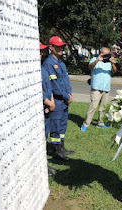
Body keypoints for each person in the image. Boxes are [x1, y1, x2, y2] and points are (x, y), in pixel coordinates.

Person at [42, 36, 74, 161]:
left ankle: (62, 147)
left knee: (62, 125)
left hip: (65, 100)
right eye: (58, 46)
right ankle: (57, 151)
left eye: (62, 46)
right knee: (55, 126)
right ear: (51, 48)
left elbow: (65, 81)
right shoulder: (48, 64)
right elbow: (54, 85)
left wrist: (69, 94)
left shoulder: (60, 63)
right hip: (58, 100)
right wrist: (66, 96)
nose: (61, 48)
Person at [80, 47, 117, 132]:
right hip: (96, 87)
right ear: (101, 53)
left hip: (106, 87)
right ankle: (85, 124)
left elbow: (115, 71)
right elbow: (90, 67)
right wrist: (98, 60)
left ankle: (100, 123)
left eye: (108, 54)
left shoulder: (109, 62)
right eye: (105, 54)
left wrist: (112, 63)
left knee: (103, 107)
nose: (106, 56)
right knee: (93, 106)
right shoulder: (94, 59)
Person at [40, 42, 56, 176]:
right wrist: (48, 103)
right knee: (40, 138)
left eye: (41, 51)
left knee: (44, 136)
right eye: (38, 51)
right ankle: (42, 165)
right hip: (43, 107)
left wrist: (52, 101)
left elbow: (48, 86)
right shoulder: (34, 69)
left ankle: (44, 164)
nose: (40, 54)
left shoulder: (42, 68)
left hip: (48, 106)